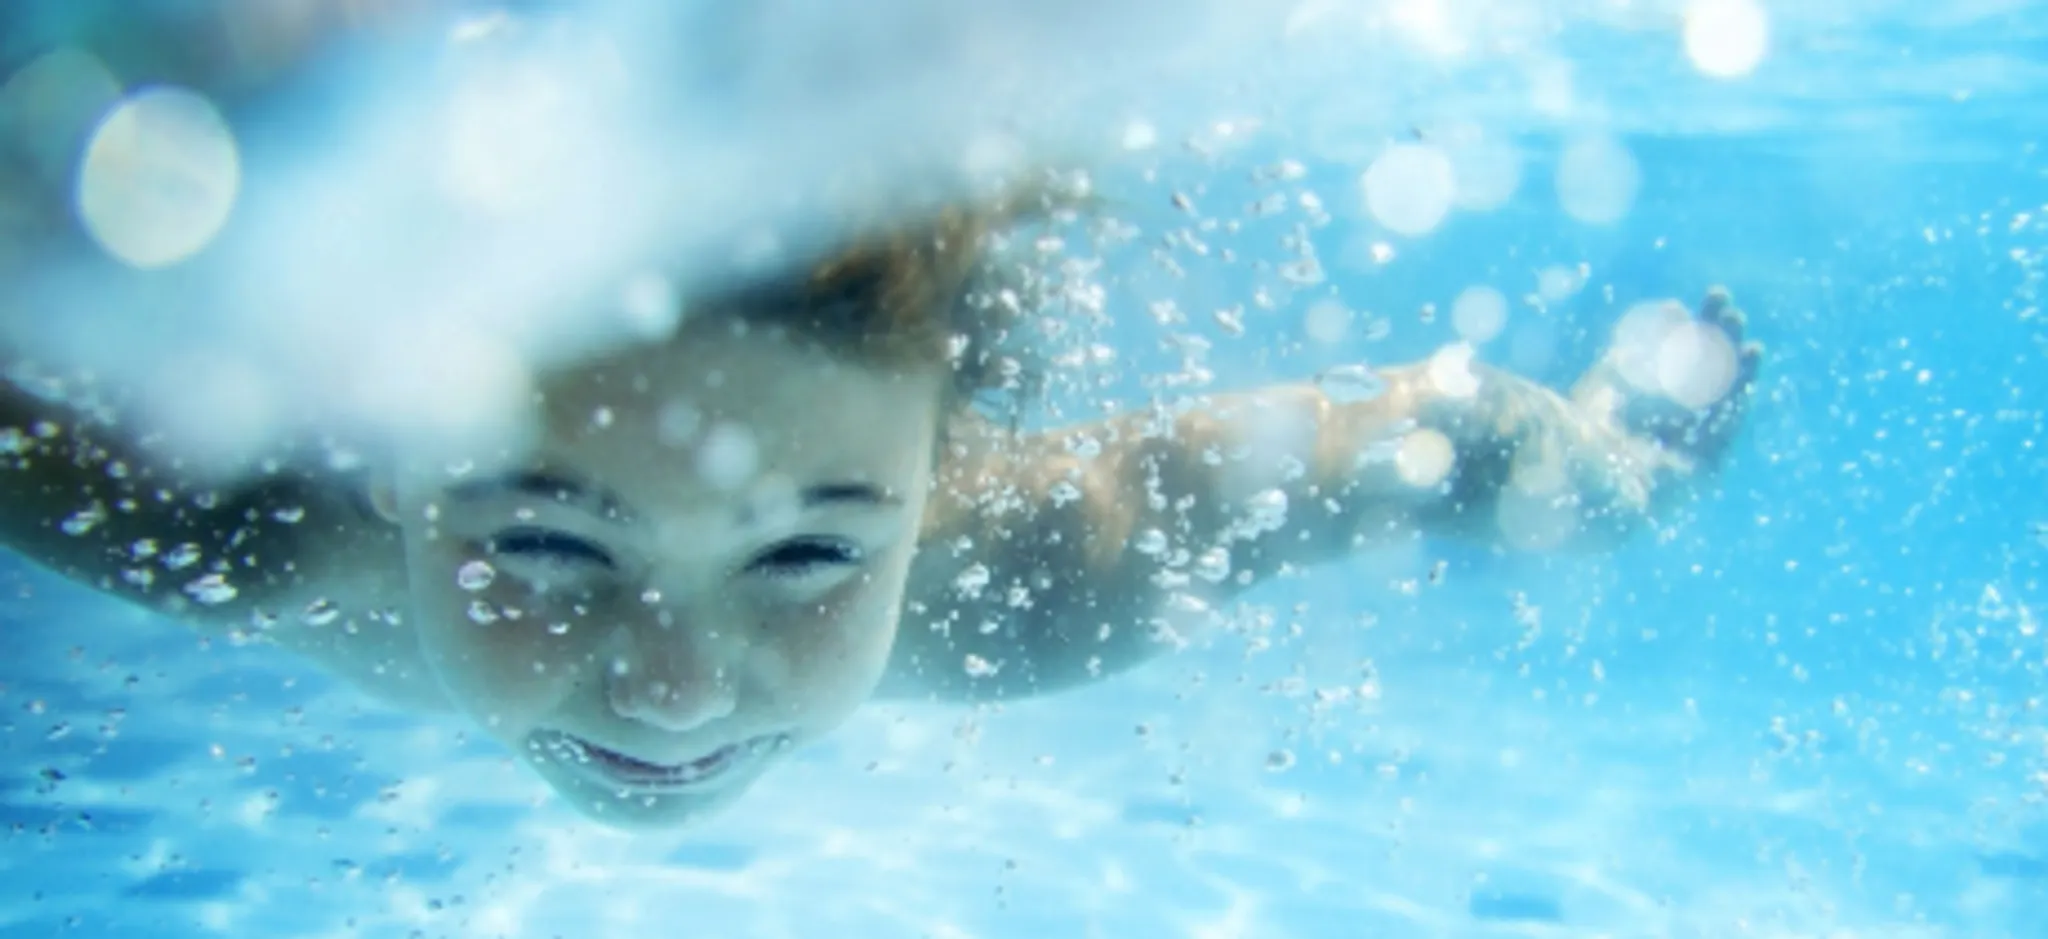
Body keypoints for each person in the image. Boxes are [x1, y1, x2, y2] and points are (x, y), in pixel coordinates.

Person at [0, 187, 1762, 829]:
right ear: (382, 444)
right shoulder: (222, 510)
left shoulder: (1035, 577)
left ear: (944, 477)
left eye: (813, 547)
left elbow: (1432, 435)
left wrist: (1616, 457)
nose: (676, 688)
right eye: (545, 541)